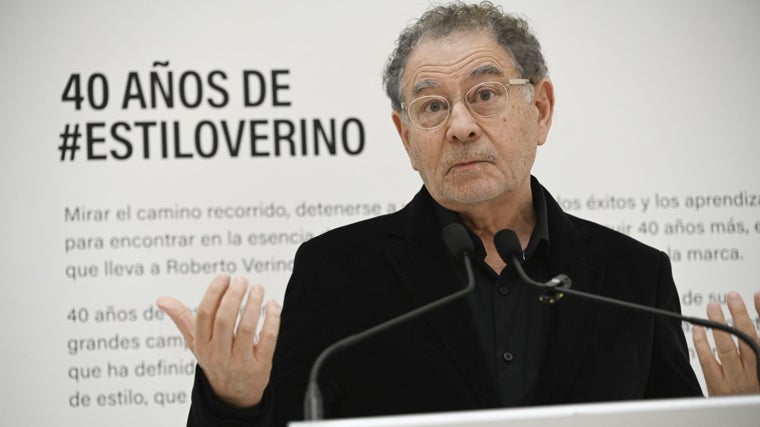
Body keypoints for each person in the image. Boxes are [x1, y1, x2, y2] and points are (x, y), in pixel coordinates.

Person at [156, 2, 759, 426]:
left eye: (485, 94)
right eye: (433, 106)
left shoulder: (633, 278)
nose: (462, 125)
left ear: (541, 109)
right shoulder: (336, 272)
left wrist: (741, 417)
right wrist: (235, 402)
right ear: (406, 136)